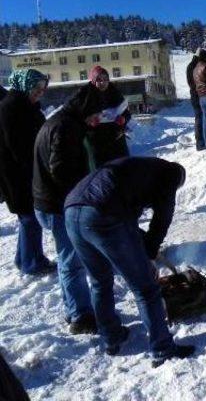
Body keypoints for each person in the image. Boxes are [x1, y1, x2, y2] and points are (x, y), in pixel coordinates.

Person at [64, 157, 195, 365]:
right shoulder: (170, 175)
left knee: (100, 281)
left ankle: (111, 337)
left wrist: (142, 248)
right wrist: (150, 254)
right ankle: (162, 348)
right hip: (102, 212)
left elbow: (129, 223)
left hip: (71, 211)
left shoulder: (140, 169)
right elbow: (162, 218)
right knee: (146, 288)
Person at [33, 92, 104, 334]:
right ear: (85, 110)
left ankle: (73, 308)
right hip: (57, 206)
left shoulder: (61, 121)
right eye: (96, 115)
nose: (97, 119)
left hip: (47, 202)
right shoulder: (66, 128)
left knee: (68, 260)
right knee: (72, 262)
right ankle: (81, 316)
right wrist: (81, 195)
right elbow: (61, 170)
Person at [0, 69, 55, 275]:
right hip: (17, 175)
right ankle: (31, 262)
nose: (40, 92)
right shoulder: (11, 108)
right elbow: (18, 147)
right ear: (25, 85)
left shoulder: (25, 106)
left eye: (43, 89)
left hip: (26, 172)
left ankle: (25, 259)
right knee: (30, 217)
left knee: (28, 217)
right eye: (36, 88)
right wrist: (37, 169)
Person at [77, 66, 131, 170]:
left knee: (122, 169)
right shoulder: (86, 96)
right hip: (96, 142)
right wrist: (90, 121)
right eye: (99, 80)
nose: (103, 83)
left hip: (116, 139)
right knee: (101, 173)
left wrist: (123, 119)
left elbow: (126, 113)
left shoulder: (114, 93)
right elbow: (78, 118)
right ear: (93, 81)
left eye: (105, 79)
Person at [186, 52, 204, 150]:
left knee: (199, 118)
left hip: (195, 94)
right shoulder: (195, 66)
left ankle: (201, 142)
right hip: (198, 95)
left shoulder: (191, 65)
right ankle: (200, 142)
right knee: (200, 118)